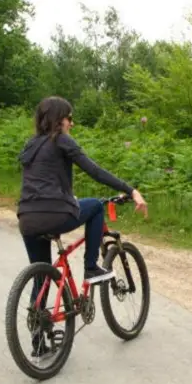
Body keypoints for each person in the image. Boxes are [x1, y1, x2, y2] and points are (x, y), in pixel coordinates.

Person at [17, 96, 148, 284]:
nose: (72, 123)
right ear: (59, 119)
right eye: (69, 118)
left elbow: (42, 181)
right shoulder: (62, 139)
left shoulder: (31, 144)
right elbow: (95, 171)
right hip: (53, 214)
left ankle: (36, 312)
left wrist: (66, 197)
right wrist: (131, 191)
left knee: (42, 280)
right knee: (95, 206)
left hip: (27, 217)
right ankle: (91, 268)